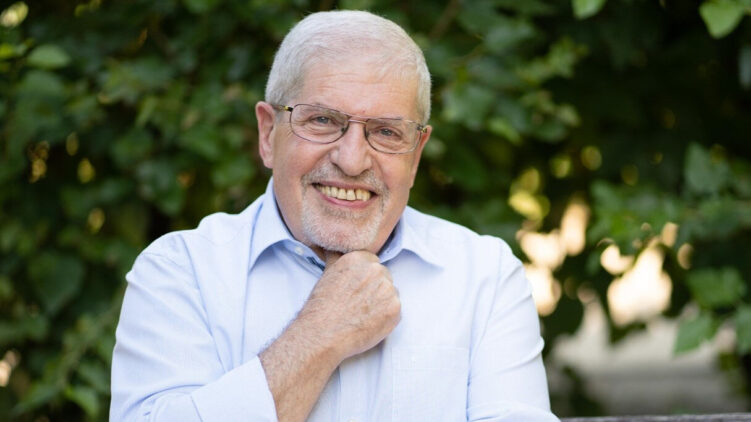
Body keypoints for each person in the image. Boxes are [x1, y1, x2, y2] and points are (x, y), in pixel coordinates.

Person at [110, 10, 559, 422]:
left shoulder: (485, 278)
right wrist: (321, 332)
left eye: (386, 131)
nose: (351, 160)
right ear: (267, 134)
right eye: (323, 120)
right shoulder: (180, 271)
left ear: (416, 154)